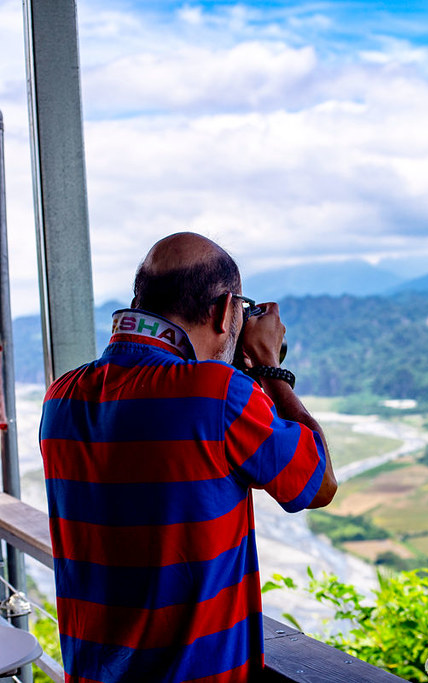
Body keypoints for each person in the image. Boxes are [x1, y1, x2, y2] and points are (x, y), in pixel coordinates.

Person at [39, 232, 337, 682]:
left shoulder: (61, 396)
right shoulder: (217, 395)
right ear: (223, 312)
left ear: (139, 300)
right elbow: (318, 482)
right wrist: (269, 366)